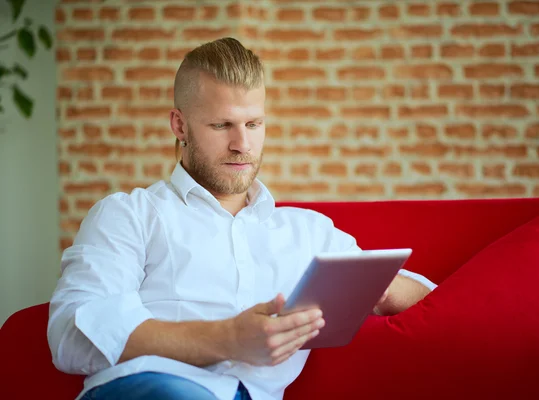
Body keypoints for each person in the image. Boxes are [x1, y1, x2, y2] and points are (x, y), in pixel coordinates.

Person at [48, 37, 437, 400]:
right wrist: (228, 338)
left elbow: (435, 302)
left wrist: (379, 288)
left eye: (254, 124)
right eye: (222, 125)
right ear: (179, 126)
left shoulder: (308, 232)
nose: (242, 145)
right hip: (151, 387)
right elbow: (70, 334)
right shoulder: (130, 214)